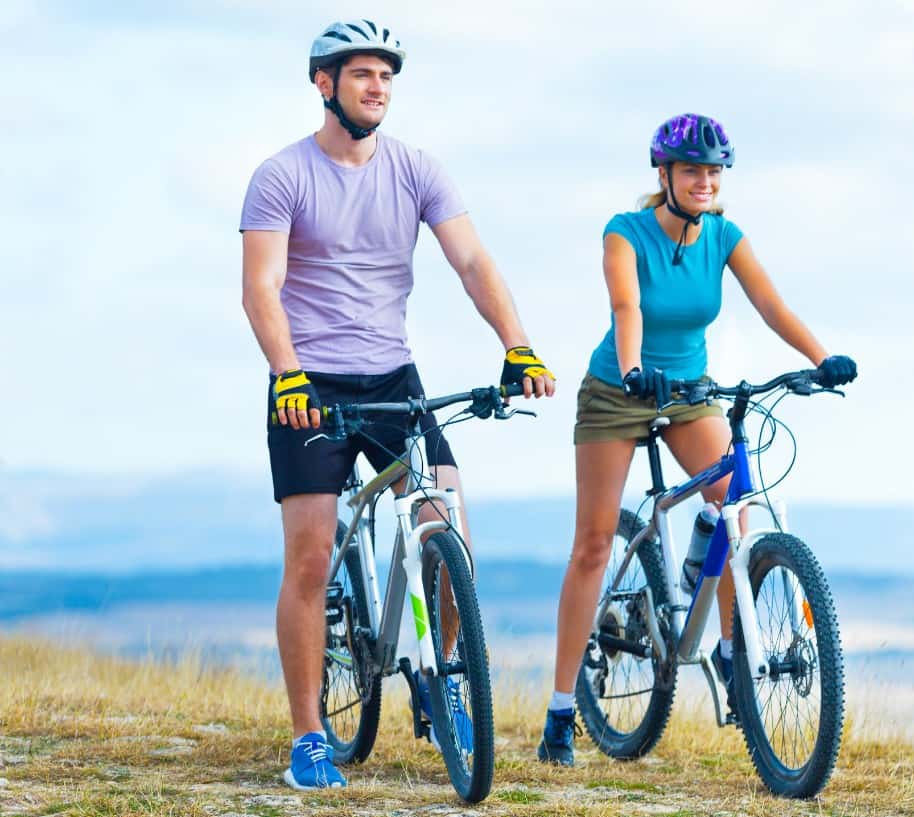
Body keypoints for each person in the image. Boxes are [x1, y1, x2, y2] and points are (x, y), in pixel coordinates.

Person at [239, 19, 555, 790]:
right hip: (308, 382)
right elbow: (261, 287)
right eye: (361, 74)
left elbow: (472, 258)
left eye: (386, 75)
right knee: (312, 556)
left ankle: (445, 673)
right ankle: (310, 736)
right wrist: (287, 373)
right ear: (325, 84)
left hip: (392, 381)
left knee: (449, 526)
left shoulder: (417, 170)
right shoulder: (282, 175)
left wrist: (517, 342)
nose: (378, 87)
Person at [536, 113, 857, 765]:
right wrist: (632, 368)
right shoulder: (625, 232)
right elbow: (627, 307)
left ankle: (731, 651)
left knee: (734, 500)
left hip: (688, 389)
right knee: (594, 543)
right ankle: (562, 711)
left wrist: (823, 358)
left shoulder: (723, 236)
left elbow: (771, 304)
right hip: (617, 389)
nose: (705, 181)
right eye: (692, 170)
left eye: (714, 171)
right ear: (664, 175)